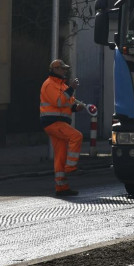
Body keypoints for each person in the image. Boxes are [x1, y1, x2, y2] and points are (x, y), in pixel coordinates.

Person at [40, 59, 86, 197]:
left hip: (57, 123)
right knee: (76, 136)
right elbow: (58, 102)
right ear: (54, 69)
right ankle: (71, 167)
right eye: (62, 69)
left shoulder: (62, 86)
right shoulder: (49, 84)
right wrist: (71, 88)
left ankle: (62, 188)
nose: (65, 71)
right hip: (54, 123)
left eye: (65, 69)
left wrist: (76, 108)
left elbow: (67, 104)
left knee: (60, 156)